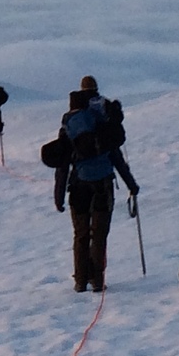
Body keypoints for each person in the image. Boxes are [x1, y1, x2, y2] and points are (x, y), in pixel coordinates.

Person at [52, 76, 137, 292]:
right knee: (99, 234)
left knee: (81, 234)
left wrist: (59, 193)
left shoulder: (70, 120)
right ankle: (97, 281)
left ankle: (80, 281)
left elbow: (63, 159)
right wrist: (131, 184)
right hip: (103, 183)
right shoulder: (103, 118)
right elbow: (116, 156)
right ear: (96, 90)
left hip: (78, 184)